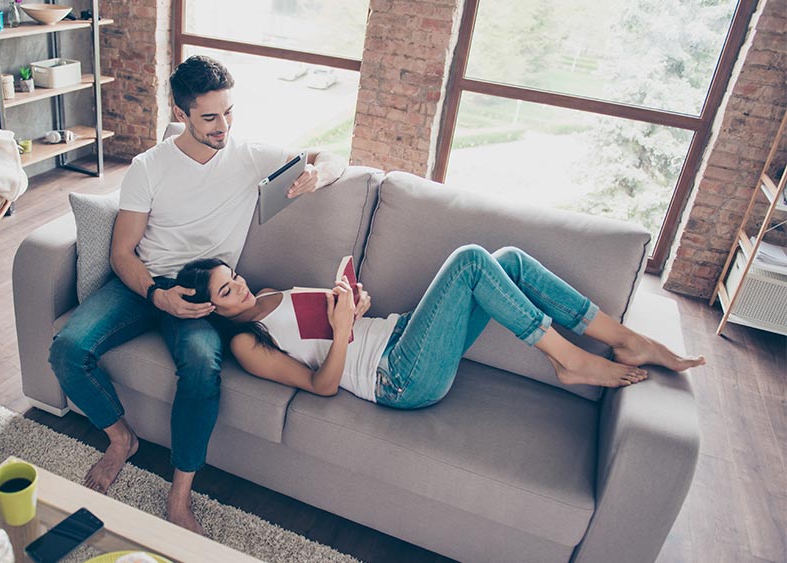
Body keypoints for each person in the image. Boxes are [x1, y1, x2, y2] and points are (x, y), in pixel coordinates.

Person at [48, 55, 346, 532]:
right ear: (180, 112)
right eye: (209, 116)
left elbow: (332, 155)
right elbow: (123, 253)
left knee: (202, 368)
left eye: (229, 112)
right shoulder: (149, 167)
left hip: (205, 294)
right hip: (144, 284)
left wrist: (319, 175)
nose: (223, 125)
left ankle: (179, 494)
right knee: (66, 349)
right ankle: (121, 438)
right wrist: (155, 294)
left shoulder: (249, 156)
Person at [174, 245, 705, 408]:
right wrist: (341, 332)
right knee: (473, 259)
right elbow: (322, 384)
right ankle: (569, 358)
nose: (240, 288)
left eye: (234, 277)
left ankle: (621, 339)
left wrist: (352, 309)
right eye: (227, 292)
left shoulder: (266, 294)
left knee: (511, 262)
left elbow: (334, 323)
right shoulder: (246, 344)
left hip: (399, 334)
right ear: (210, 310)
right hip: (397, 378)